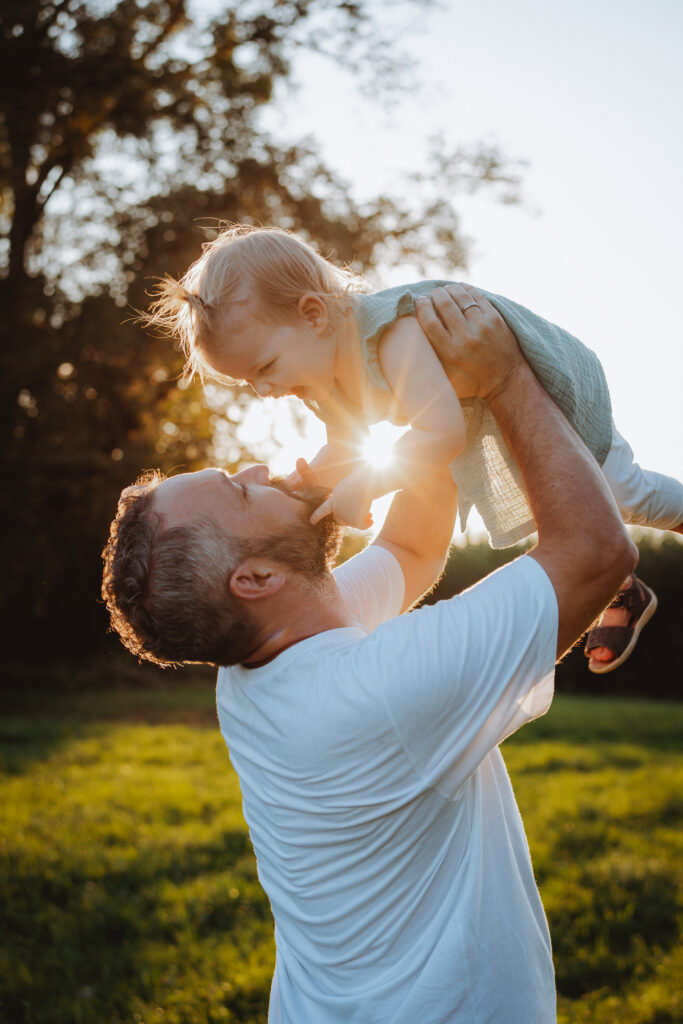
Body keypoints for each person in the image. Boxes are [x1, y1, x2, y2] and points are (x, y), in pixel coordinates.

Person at [103, 284, 637, 1023]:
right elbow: (595, 552)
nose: (259, 469)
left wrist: (420, 401)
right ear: (255, 579)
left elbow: (412, 547)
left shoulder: (260, 656)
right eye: (239, 486)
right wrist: (505, 378)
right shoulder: (370, 695)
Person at [143, 224, 682, 673]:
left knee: (616, 490)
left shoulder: (392, 335)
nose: (264, 390)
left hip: (542, 390)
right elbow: (351, 444)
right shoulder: (318, 380)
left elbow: (440, 434)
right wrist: (315, 480)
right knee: (547, 505)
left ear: (313, 315)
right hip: (484, 415)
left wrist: (372, 482)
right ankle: (622, 591)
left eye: (265, 368)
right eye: (247, 382)